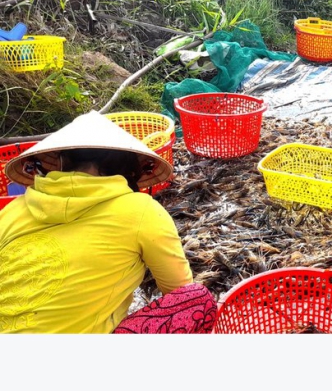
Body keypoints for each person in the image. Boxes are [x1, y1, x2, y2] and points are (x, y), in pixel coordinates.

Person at [0, 110, 217, 334]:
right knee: (196, 300)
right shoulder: (141, 210)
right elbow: (179, 293)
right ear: (128, 169)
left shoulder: (14, 209)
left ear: (61, 162)